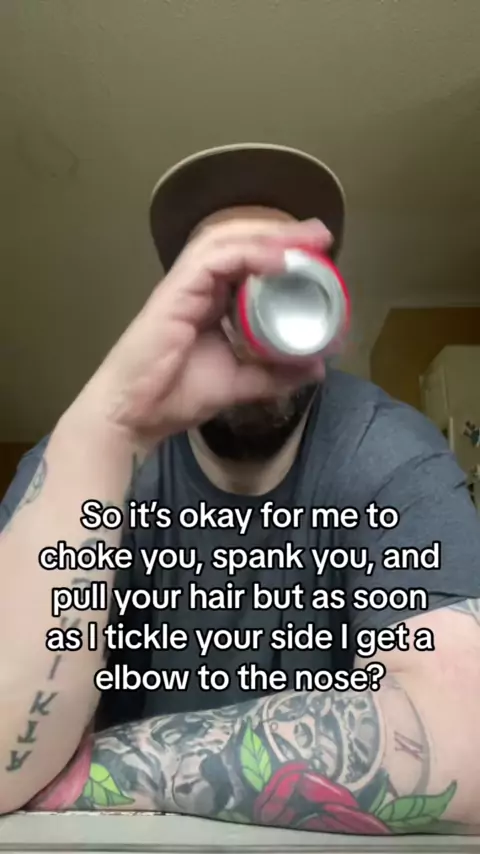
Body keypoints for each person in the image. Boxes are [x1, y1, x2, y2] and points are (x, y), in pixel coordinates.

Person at [1, 143, 480, 835]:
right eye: (224, 280)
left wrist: (85, 771)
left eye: (287, 278)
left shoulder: (386, 452)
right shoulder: (88, 461)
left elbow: (465, 736)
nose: (250, 314)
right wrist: (110, 424)